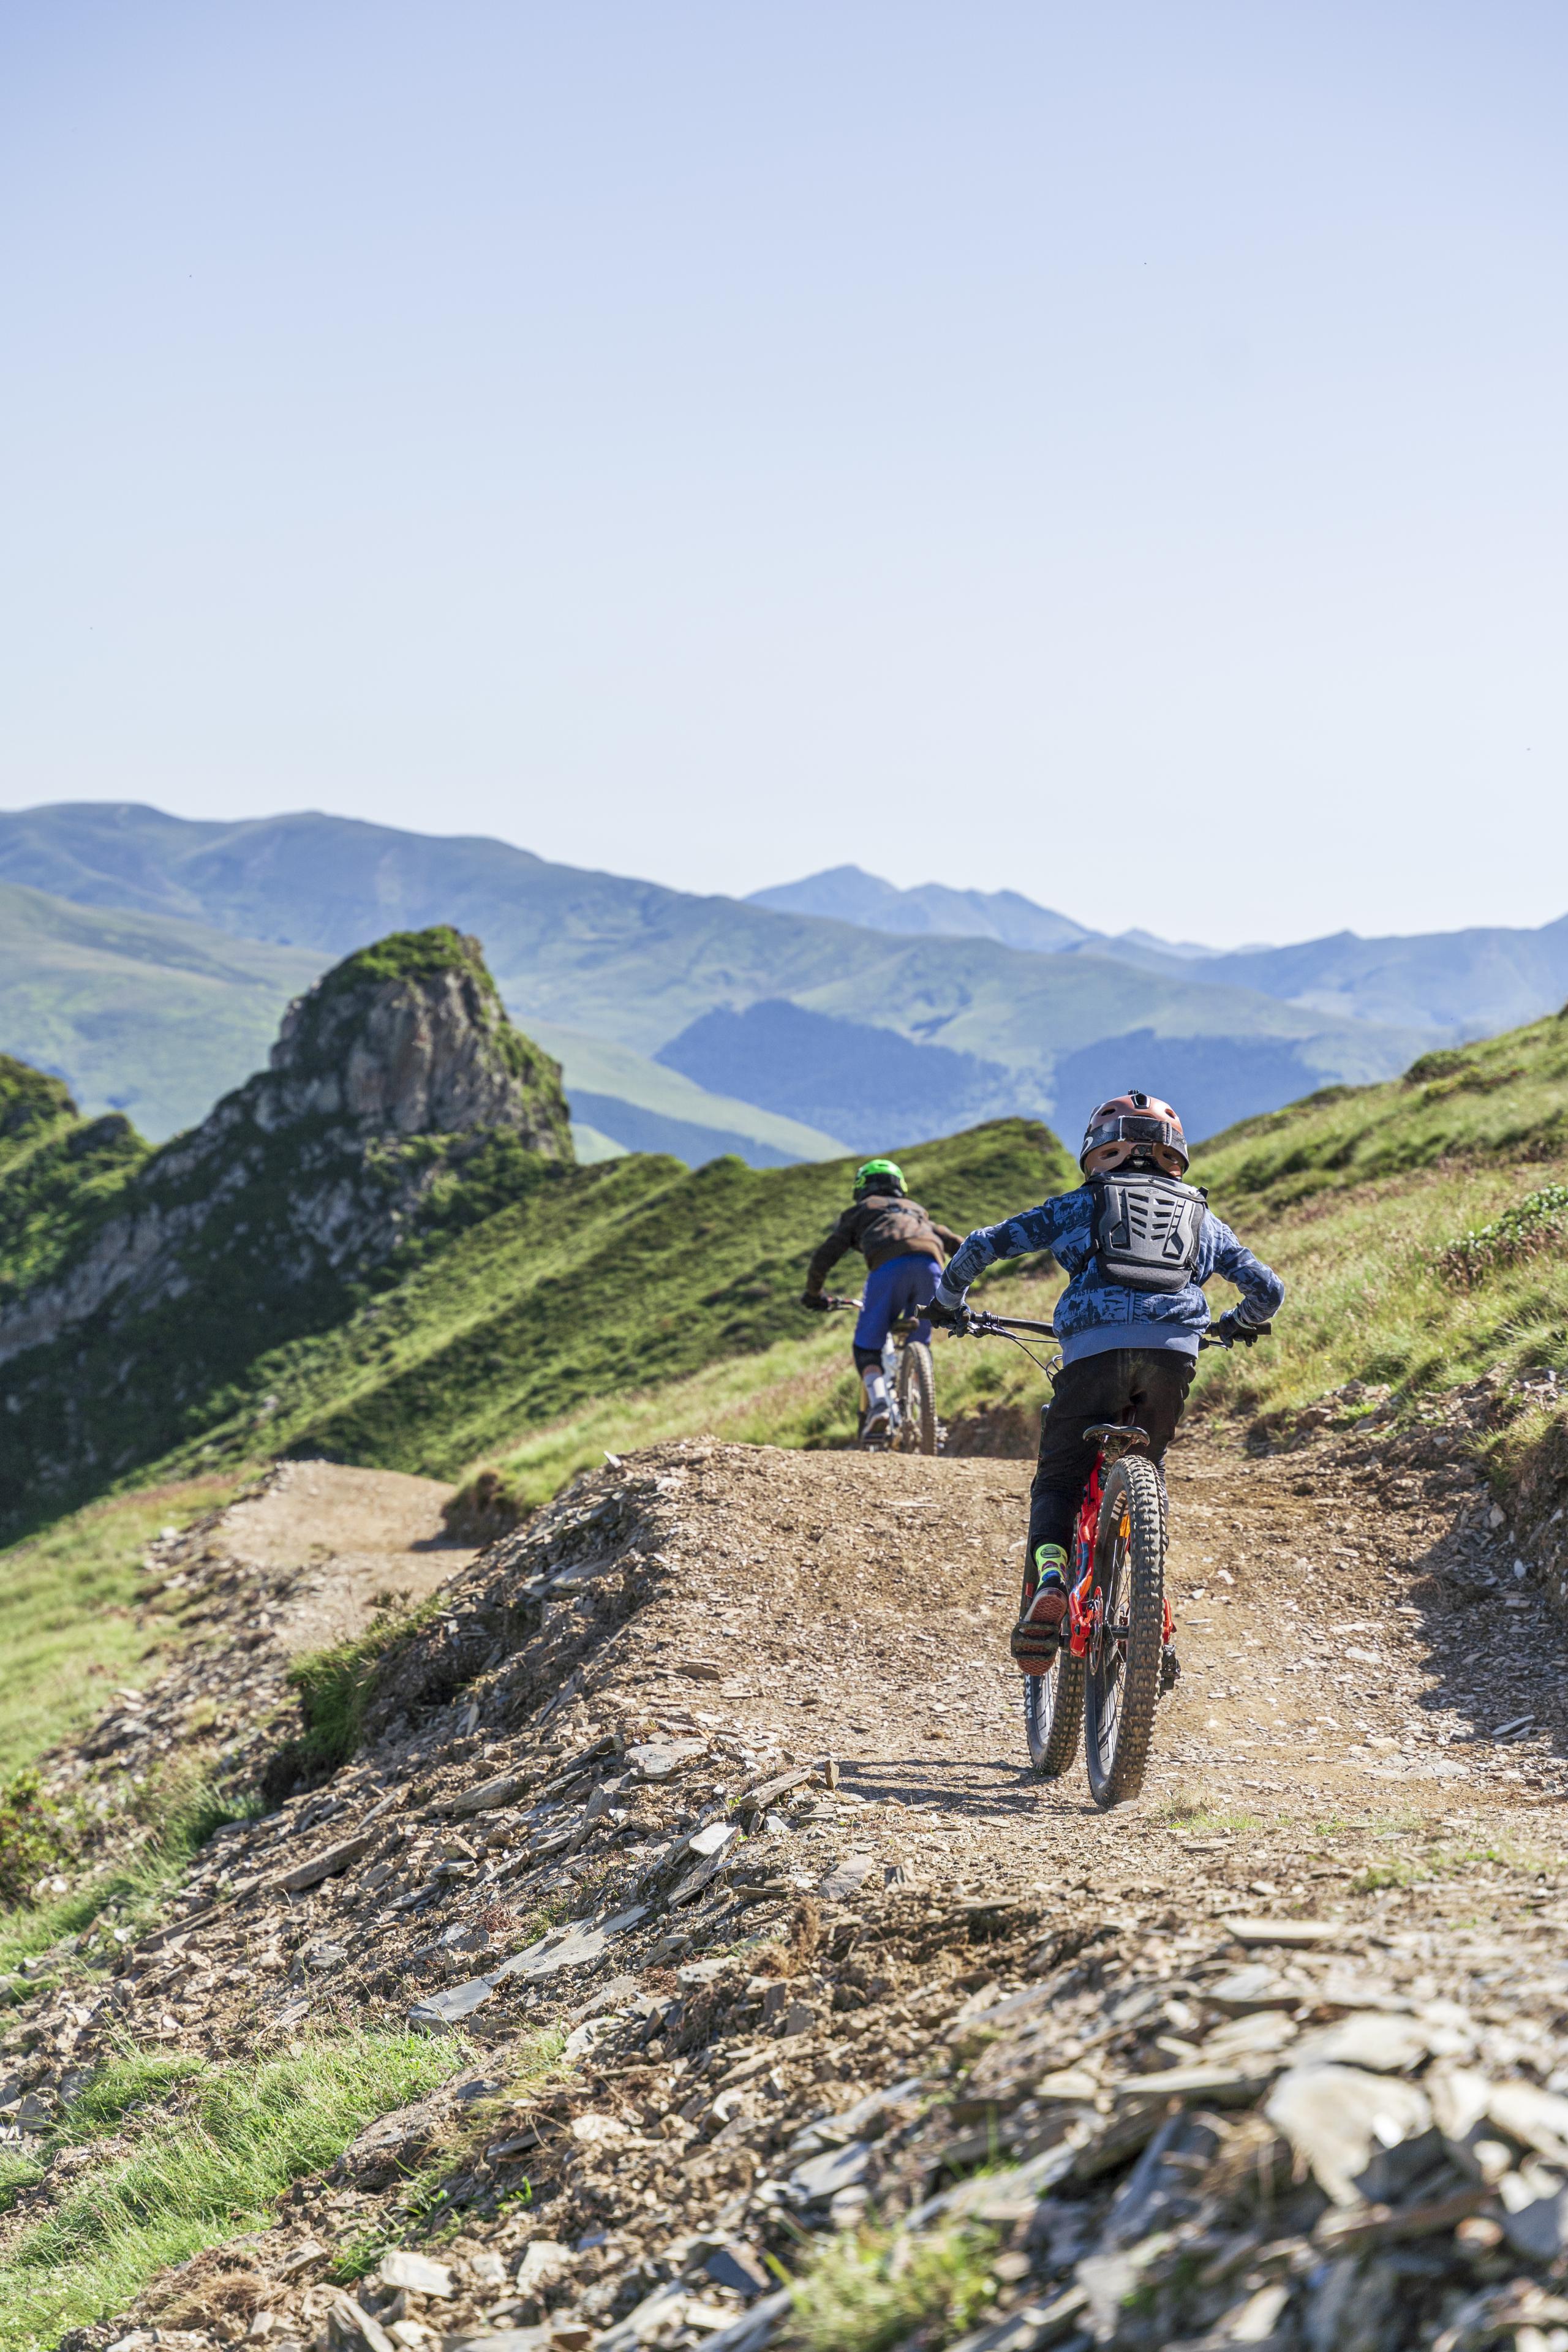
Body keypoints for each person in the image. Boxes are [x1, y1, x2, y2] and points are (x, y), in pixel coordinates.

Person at [927, 1092, 1284, 1668]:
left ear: (1099, 1152)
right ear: (1177, 1157)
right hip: (1171, 1359)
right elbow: (1268, 1292)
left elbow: (982, 1245)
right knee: (1152, 1464)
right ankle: (1148, 1606)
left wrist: (949, 1303)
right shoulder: (1202, 1218)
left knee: (1061, 1480)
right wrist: (1236, 1324)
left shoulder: (1081, 1204)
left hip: (1091, 1355)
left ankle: (1051, 1575)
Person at [802, 1159, 963, 1441]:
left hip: (889, 1268)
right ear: (900, 1185)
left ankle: (879, 1406)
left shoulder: (861, 1211)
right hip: (932, 1268)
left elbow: (825, 1256)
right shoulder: (917, 1212)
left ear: (862, 1188)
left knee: (866, 1346)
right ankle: (930, 1418)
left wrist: (814, 1294)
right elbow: (956, 1243)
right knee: (920, 1341)